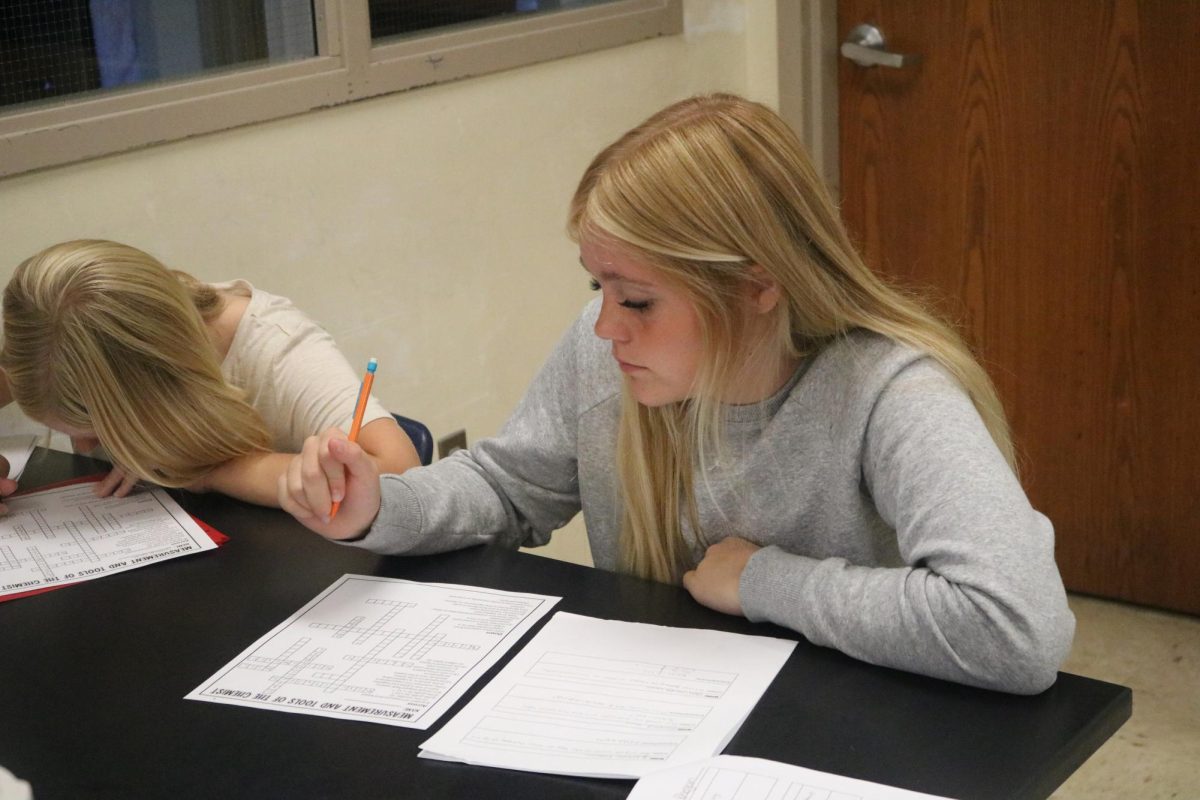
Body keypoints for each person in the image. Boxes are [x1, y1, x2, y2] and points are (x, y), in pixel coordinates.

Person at [279, 94, 1075, 694]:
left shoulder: (891, 393)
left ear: (757, 285)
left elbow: (1016, 628)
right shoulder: (610, 354)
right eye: (598, 287)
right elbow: (508, 486)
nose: (603, 330)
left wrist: (767, 581)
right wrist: (383, 507)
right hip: (667, 710)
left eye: (636, 300)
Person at [0, 239, 419, 507]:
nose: (84, 446)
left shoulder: (276, 348)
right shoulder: (53, 343)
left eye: (95, 426)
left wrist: (205, 471)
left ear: (161, 386)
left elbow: (400, 471)